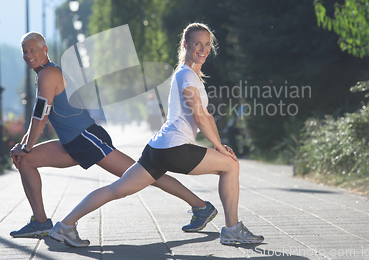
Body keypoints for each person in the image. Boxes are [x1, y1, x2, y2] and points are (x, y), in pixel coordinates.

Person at [49, 23, 264, 247]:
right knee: (230, 165)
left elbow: (206, 115)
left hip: (157, 149)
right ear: (185, 45)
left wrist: (218, 143)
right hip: (175, 148)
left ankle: (64, 225)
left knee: (118, 189)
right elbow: (200, 116)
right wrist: (220, 148)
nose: (203, 49)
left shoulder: (190, 76)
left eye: (207, 44)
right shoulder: (187, 76)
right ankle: (231, 229)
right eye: (198, 43)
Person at [9, 32, 217, 239]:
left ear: (45, 50)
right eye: (25, 51)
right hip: (71, 143)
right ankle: (40, 222)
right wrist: (24, 146)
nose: (28, 55)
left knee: (146, 175)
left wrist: (26, 146)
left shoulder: (49, 73)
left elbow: (41, 116)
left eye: (32, 50)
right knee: (26, 160)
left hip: (87, 139)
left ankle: (200, 206)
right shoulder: (43, 73)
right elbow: (39, 114)